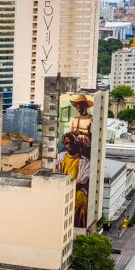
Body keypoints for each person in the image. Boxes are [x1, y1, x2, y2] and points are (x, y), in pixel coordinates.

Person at [56, 94, 93, 227]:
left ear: (85, 106)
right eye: (76, 105)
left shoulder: (91, 120)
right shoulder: (61, 158)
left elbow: (92, 136)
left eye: (80, 105)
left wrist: (81, 136)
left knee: (81, 201)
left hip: (85, 150)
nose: (78, 108)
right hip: (75, 153)